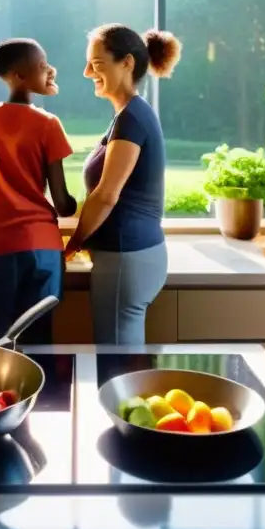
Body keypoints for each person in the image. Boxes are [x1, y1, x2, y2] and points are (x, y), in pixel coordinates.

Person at [65, 23, 182, 345]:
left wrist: (74, 240)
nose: (88, 72)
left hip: (126, 258)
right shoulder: (130, 115)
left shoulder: (132, 118)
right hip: (127, 257)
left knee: (117, 362)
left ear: (127, 63)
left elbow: (105, 195)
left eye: (98, 63)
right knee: (118, 357)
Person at [0, 38, 79, 345]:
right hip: (43, 248)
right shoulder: (48, 124)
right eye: (41, 66)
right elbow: (63, 204)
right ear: (18, 75)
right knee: (41, 345)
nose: (49, 70)